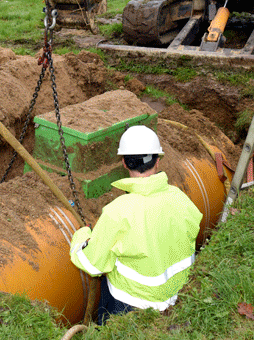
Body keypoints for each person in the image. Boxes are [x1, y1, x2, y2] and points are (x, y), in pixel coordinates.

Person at [69, 125, 202, 324]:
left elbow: (92, 264)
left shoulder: (117, 212)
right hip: (180, 297)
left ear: (124, 162)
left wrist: (82, 235)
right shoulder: (181, 199)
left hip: (129, 306)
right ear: (157, 161)